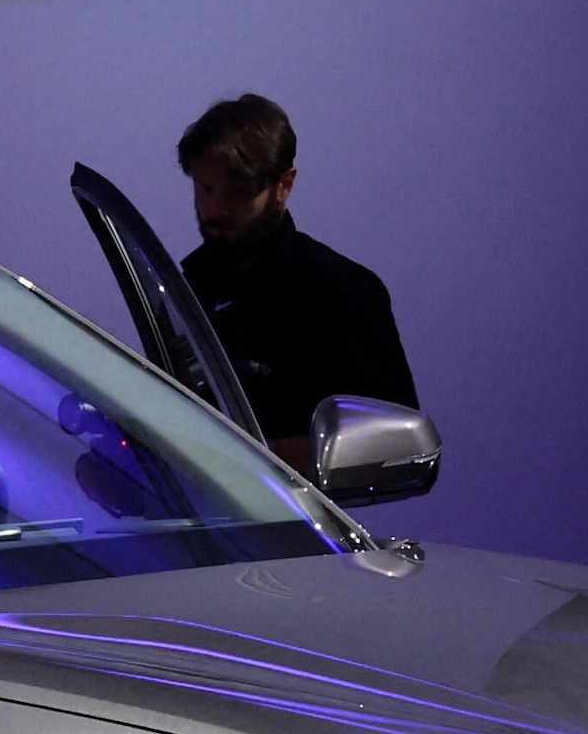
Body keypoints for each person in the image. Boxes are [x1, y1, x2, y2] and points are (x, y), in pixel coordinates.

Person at [172, 93, 417, 464]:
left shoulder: (340, 289)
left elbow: (399, 445)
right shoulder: (188, 289)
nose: (214, 209)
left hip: (290, 517)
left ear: (284, 184)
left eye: (238, 192)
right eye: (205, 187)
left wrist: (261, 460)